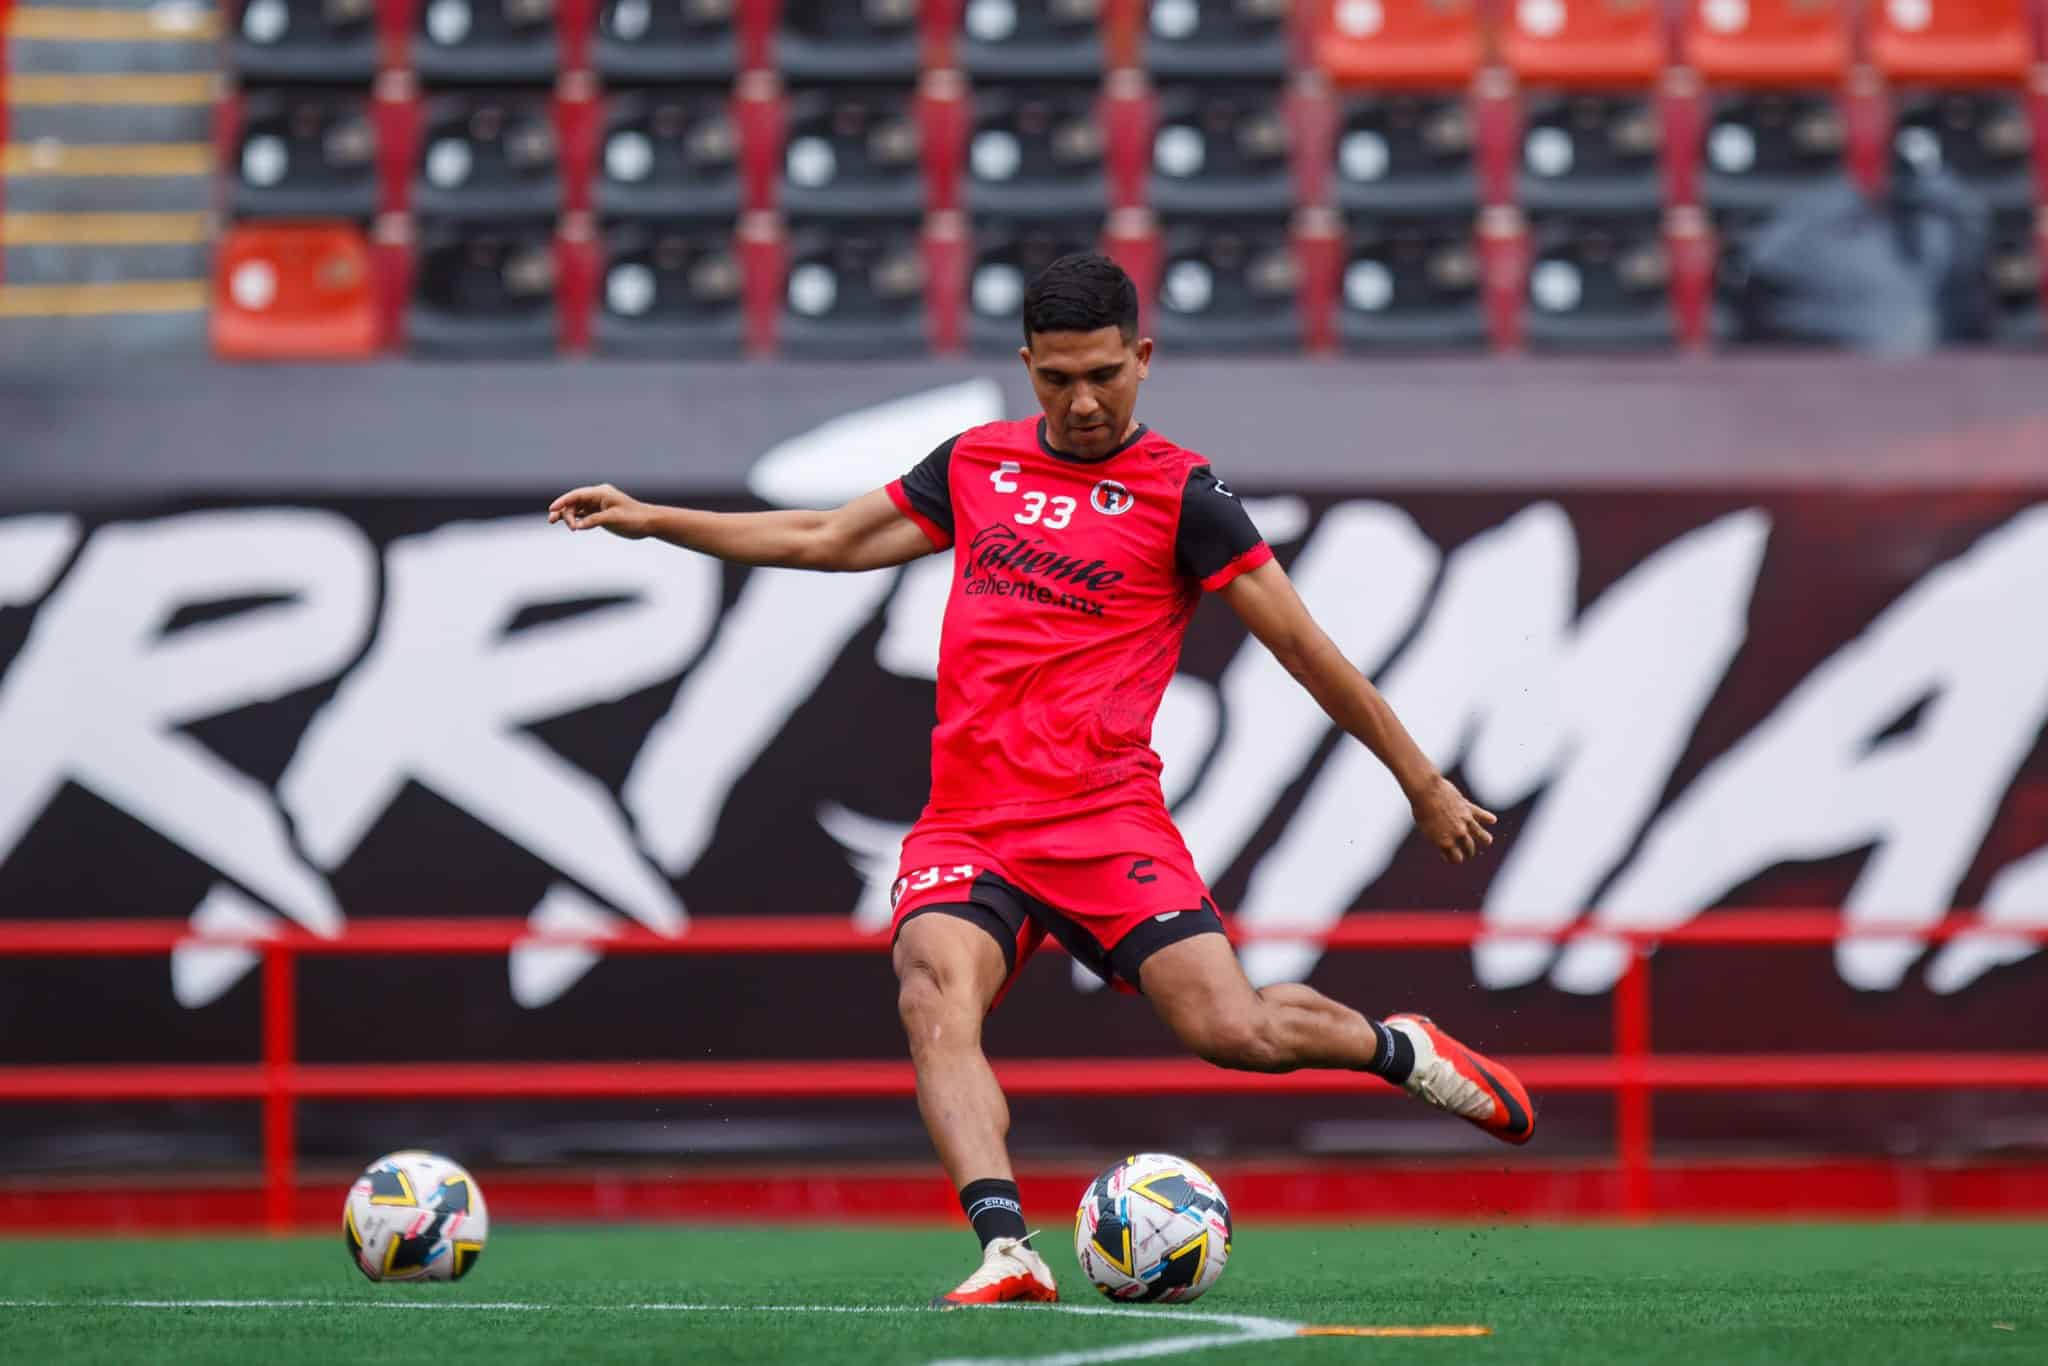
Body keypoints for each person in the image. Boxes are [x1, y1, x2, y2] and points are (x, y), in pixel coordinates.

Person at [548, 253, 1532, 1308]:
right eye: (1057, 377)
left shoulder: (1185, 495)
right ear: (1027, 366)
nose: (1081, 399)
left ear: (1142, 359)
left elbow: (1305, 650)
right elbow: (826, 538)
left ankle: (1397, 1047)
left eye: (1103, 372)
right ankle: (1006, 1246)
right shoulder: (975, 465)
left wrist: (1418, 779)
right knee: (931, 990)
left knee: (1229, 1032)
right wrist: (656, 518)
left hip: (1105, 822)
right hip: (968, 827)